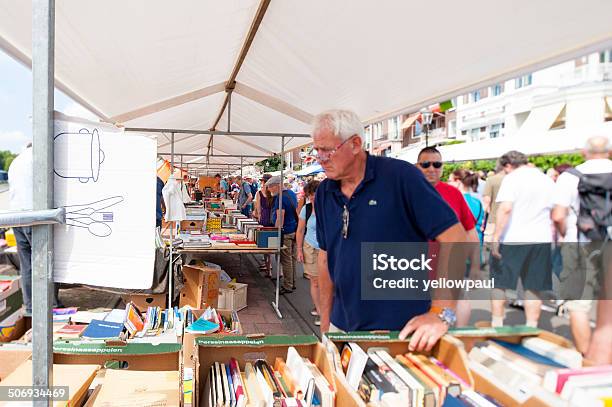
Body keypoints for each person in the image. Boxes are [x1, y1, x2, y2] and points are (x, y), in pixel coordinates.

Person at [313, 109, 467, 352]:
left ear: (355, 144)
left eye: (327, 150)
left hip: (399, 330)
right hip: (341, 326)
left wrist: (441, 312)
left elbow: (456, 238)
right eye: (317, 150)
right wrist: (325, 323)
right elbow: (325, 258)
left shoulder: (401, 177)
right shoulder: (324, 192)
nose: (320, 158)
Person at [552, 136, 612, 355]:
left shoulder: (570, 177)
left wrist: (564, 235)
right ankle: (604, 360)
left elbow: (558, 215)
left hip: (578, 243)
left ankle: (586, 357)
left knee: (578, 305)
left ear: (584, 152)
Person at [417, 148, 480, 327]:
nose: (431, 168)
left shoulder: (454, 194)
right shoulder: (407, 192)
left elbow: (470, 231)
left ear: (442, 167)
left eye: (436, 164)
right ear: (417, 166)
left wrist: (475, 267)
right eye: (425, 164)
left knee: (457, 313)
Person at [491, 150, 555, 328]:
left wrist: (496, 237)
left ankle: (497, 324)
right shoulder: (546, 179)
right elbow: (555, 211)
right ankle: (531, 326)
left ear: (508, 165)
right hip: (541, 238)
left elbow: (505, 208)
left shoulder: (512, 179)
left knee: (499, 283)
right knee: (533, 285)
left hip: (512, 238)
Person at [8, 143, 62, 317]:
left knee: (27, 265)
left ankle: (31, 306)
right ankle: (51, 304)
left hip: (17, 217)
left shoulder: (16, 160)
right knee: (46, 262)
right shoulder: (40, 158)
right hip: (36, 216)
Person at [267, 175, 299, 294]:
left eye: (271, 187)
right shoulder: (291, 193)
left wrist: (275, 231)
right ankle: (293, 282)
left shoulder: (280, 198)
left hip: (285, 231)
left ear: (278, 185)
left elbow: (280, 217)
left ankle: (288, 285)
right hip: (293, 229)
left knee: (286, 260)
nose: (269, 190)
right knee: (291, 259)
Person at [296, 180, 322, 326]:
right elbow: (300, 230)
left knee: (327, 281)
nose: (312, 197)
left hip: (326, 248)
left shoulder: (329, 207)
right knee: (315, 281)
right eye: (310, 195)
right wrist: (299, 250)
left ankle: (324, 308)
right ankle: (320, 311)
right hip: (310, 246)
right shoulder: (306, 209)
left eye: (315, 194)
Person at [253, 174, 274, 276]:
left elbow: (258, 209)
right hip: (272, 218)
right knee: (274, 243)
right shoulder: (274, 193)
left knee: (265, 244)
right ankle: (275, 268)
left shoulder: (259, 193)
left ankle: (268, 266)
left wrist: (258, 217)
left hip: (264, 219)